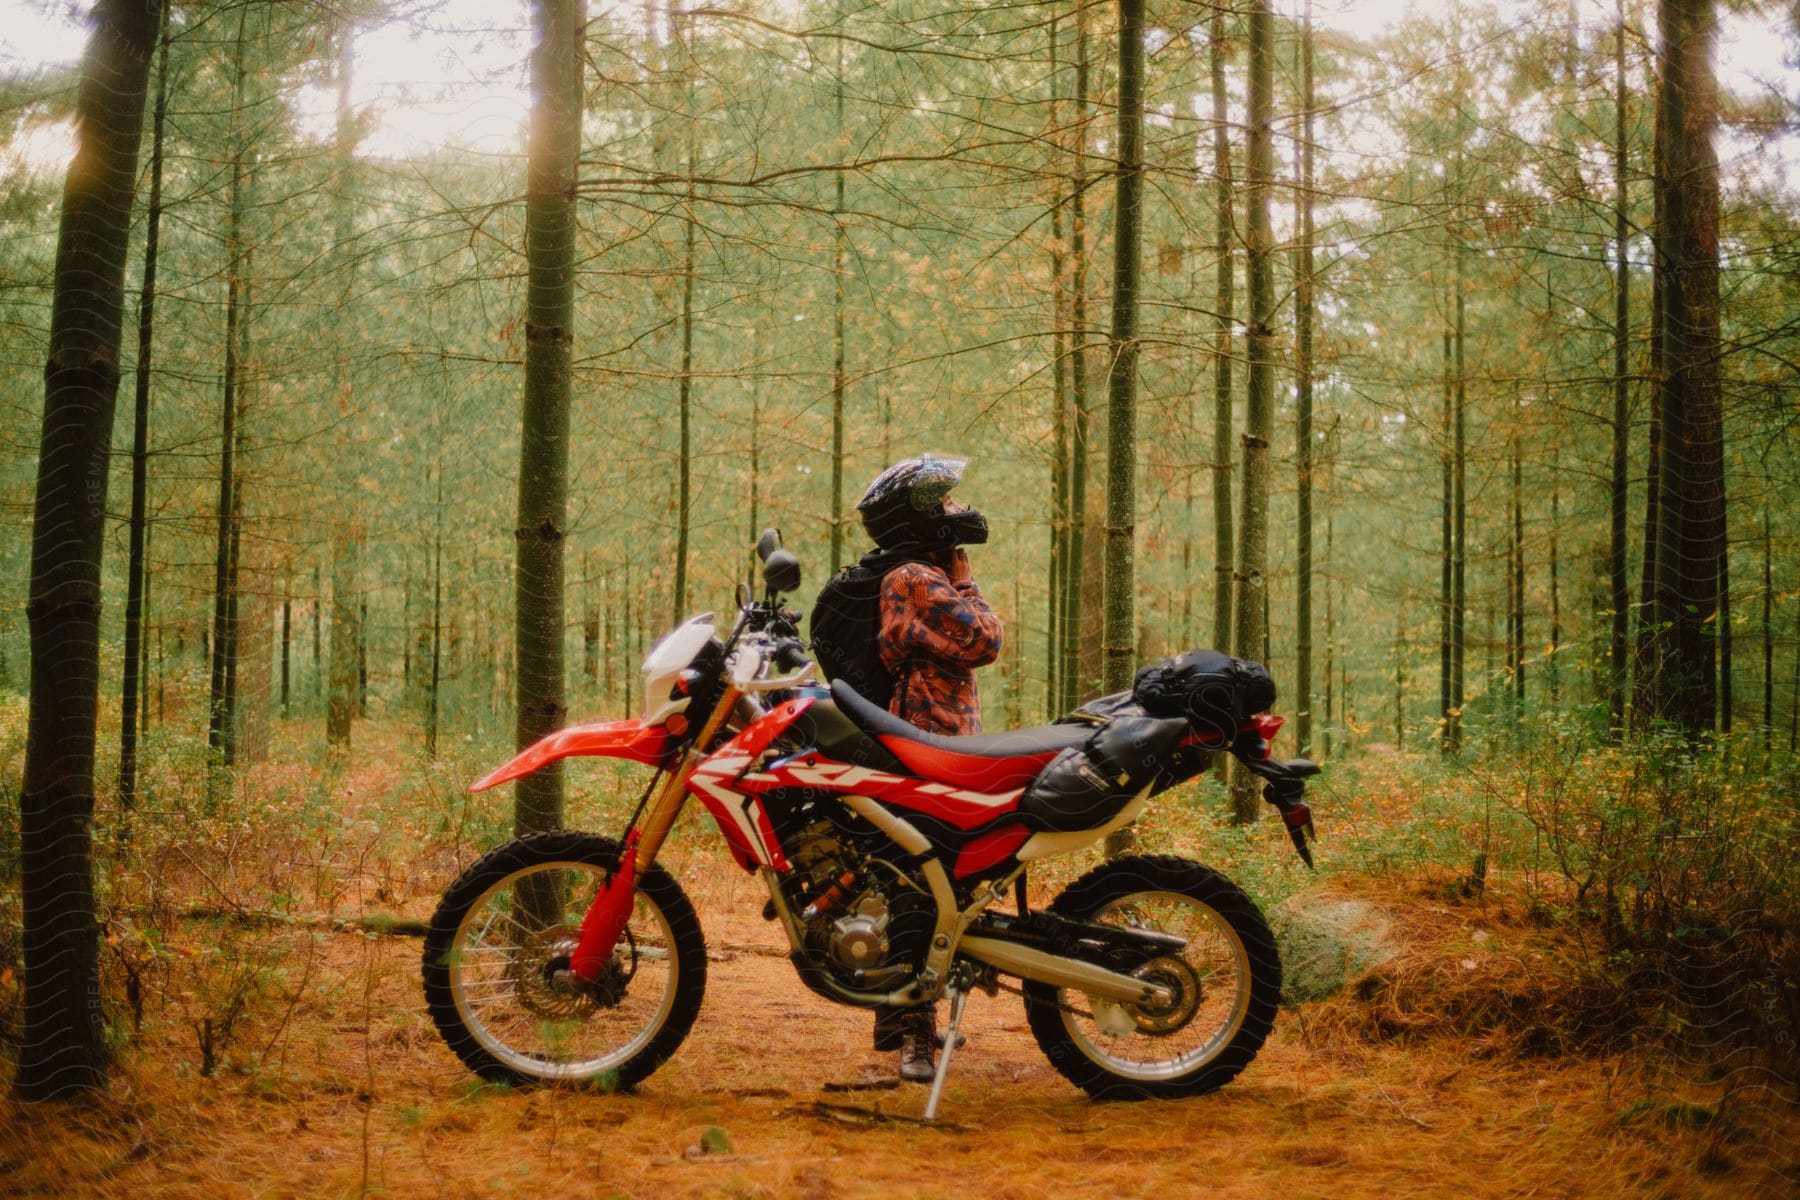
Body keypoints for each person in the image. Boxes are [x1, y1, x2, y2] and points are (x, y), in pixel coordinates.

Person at [855, 455, 1003, 1081]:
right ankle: (913, 1031)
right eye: (940, 505)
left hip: (939, 736)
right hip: (927, 737)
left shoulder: (916, 574)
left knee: (930, 881)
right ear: (916, 520)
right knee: (923, 882)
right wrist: (966, 584)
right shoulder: (915, 578)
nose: (953, 513)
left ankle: (905, 1022)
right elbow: (984, 640)